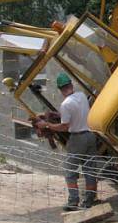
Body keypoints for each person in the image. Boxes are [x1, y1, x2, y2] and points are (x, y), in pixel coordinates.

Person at [36, 72, 100, 210]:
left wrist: (46, 125)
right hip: (90, 135)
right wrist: (60, 115)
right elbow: (77, 113)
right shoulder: (82, 96)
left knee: (70, 172)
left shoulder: (66, 104)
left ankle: (73, 201)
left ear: (60, 89)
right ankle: (89, 200)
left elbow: (65, 127)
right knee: (89, 170)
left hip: (77, 139)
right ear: (71, 85)